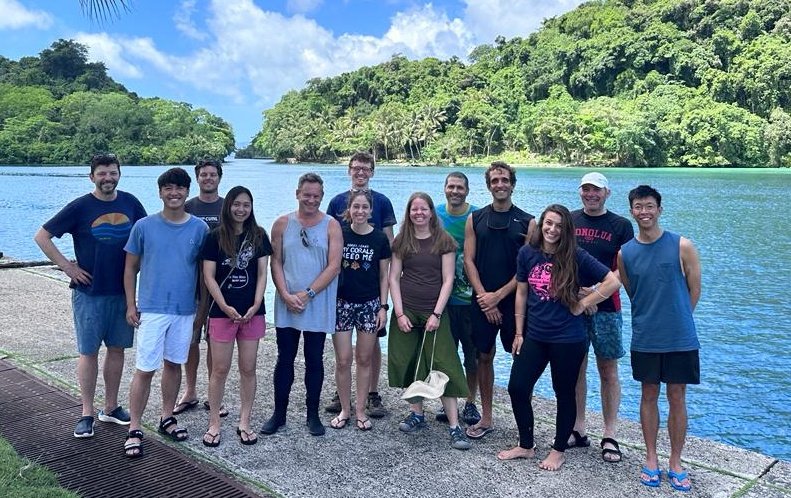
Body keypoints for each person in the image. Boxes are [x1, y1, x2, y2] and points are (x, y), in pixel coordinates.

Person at [498, 204, 620, 471]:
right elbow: (521, 293)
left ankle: (558, 449)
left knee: (564, 392)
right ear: (542, 224)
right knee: (517, 387)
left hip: (568, 338)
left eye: (559, 226)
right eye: (548, 223)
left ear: (566, 230)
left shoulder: (575, 255)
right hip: (536, 335)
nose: (552, 230)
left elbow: (612, 281)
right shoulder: (528, 253)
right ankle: (526, 445)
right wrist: (519, 332)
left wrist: (583, 302)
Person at [34, 153, 146, 438]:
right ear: (92, 177)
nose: (108, 178)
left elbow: (148, 237)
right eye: (102, 174)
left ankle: (110, 407)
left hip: (122, 292)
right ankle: (86, 412)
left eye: (112, 173)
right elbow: (42, 236)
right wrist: (67, 267)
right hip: (89, 292)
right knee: (88, 352)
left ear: (119, 174)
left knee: (118, 349)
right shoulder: (80, 206)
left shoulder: (131, 203)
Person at [617, 185, 701, 492]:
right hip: (645, 338)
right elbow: (632, 291)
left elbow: (694, 289)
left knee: (677, 397)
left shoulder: (682, 245)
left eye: (649, 206)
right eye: (638, 207)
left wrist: (677, 318)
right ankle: (651, 459)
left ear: (659, 209)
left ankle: (675, 462)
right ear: (632, 211)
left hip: (681, 337)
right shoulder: (625, 253)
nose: (644, 212)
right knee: (648, 394)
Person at [122, 167, 209, 458]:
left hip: (184, 310)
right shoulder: (144, 226)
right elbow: (130, 268)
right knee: (145, 368)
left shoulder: (199, 228)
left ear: (187, 191)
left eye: (180, 188)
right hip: (152, 308)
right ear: (160, 192)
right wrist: (131, 304)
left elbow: (202, 273)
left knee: (174, 364)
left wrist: (202, 309)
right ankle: (134, 427)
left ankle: (167, 416)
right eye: (168, 188)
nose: (174, 193)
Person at [260, 173, 342, 437]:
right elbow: (276, 261)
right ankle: (279, 414)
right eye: (307, 194)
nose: (311, 200)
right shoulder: (282, 223)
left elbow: (334, 265)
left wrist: (308, 294)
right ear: (297, 193)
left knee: (314, 359)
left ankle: (313, 415)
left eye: (316, 196)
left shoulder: (331, 225)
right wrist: (284, 293)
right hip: (287, 301)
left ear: (322, 196)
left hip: (316, 302)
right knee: (285, 358)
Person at [388, 192, 471, 450]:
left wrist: (436, 314)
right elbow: (393, 278)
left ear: (431, 212)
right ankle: (417, 414)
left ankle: (455, 426)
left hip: (434, 312)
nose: (419, 213)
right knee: (410, 362)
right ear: (409, 213)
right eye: (415, 209)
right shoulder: (402, 240)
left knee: (444, 365)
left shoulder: (443, 241)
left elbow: (448, 280)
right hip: (407, 311)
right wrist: (399, 313)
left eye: (424, 209)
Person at [463, 161, 536, 440]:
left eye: (504, 180)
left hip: (513, 302)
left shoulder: (528, 222)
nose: (500, 185)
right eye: (494, 181)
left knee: (521, 359)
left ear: (512, 184)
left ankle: (523, 421)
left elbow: (528, 268)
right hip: (482, 300)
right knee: (484, 356)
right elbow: (468, 260)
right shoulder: (476, 218)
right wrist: (484, 297)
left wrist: (498, 297)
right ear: (489, 185)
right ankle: (487, 416)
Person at [325, 152, 396, 419]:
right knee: (342, 355)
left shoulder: (383, 203)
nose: (360, 172)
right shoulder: (335, 202)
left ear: (372, 172)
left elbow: (389, 244)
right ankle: (342, 397)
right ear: (349, 170)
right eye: (356, 168)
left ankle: (372, 394)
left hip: (370, 295)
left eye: (365, 168)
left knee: (371, 346)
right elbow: (327, 244)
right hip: (342, 294)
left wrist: (386, 297)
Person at [569, 172, 634, 462]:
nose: (590, 194)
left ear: (607, 193)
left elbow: (624, 268)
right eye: (586, 189)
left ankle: (610, 434)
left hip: (607, 308)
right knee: (576, 369)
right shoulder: (570, 220)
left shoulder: (620, 225)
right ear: (580, 192)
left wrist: (594, 294)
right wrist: (578, 294)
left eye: (596, 190)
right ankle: (578, 428)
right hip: (572, 304)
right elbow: (558, 261)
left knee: (608, 371)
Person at [201, 186, 272, 447]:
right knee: (219, 369)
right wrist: (223, 305)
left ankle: (244, 421)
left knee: (248, 368)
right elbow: (209, 276)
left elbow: (263, 273)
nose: (241, 209)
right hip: (222, 312)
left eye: (246, 205)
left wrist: (256, 304)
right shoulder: (214, 237)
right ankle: (214, 423)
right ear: (228, 206)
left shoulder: (259, 236)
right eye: (236, 204)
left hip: (252, 312)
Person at [175, 159, 227, 418]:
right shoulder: (187, 207)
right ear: (197, 178)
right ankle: (190, 390)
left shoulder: (228, 206)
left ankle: (213, 394)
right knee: (190, 340)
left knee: (216, 341)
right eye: (204, 175)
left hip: (223, 285)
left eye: (212, 174)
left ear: (219, 177)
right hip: (191, 283)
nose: (208, 178)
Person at [436, 172, 481, 426]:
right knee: (446, 355)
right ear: (444, 189)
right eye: (451, 186)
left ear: (467, 190)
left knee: (472, 356)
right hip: (443, 299)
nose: (455, 191)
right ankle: (448, 399)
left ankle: (471, 402)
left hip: (469, 299)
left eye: (460, 187)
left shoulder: (476, 216)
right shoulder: (436, 214)